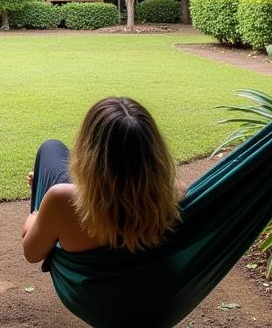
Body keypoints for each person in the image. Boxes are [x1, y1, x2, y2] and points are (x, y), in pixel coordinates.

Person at [22, 97, 181, 263]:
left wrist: (37, 214)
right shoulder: (175, 196)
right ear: (155, 153)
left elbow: (31, 254)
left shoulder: (61, 200)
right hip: (148, 282)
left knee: (51, 147)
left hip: (89, 287)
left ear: (90, 154)